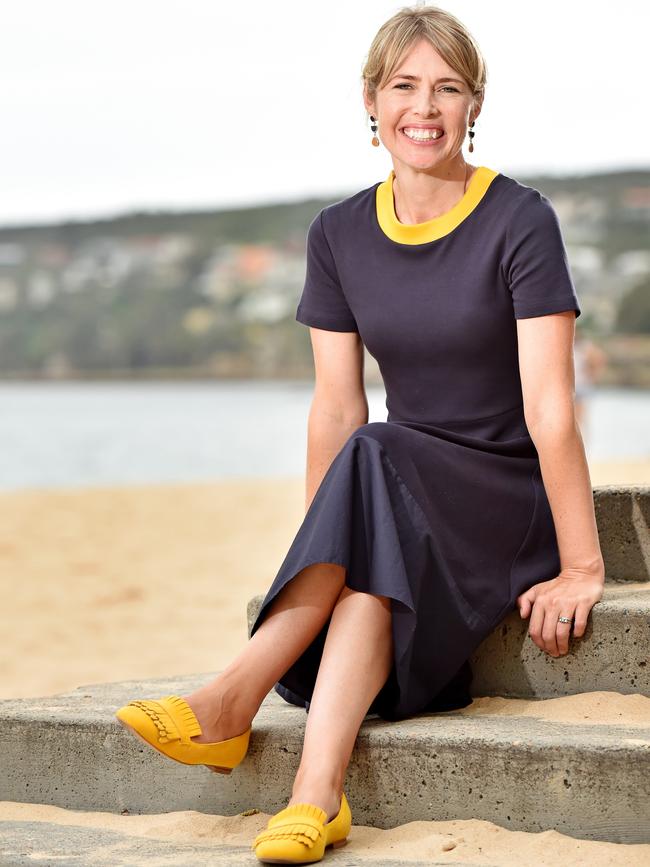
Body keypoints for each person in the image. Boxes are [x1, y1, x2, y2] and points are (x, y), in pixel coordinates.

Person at [115, 5, 606, 863]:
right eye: (405, 86)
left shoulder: (520, 221)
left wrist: (582, 564)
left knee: (375, 451)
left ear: (474, 105)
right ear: (373, 103)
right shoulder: (337, 234)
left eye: (448, 88)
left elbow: (549, 408)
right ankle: (315, 799)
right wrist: (326, 553)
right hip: (399, 484)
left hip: (499, 492)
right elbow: (336, 407)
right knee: (369, 511)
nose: (427, 107)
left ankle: (232, 697)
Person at [573, 325, 607, 444]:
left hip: (581, 386)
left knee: (579, 420)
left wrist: (593, 374)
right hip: (571, 387)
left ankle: (582, 445)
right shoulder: (570, 345)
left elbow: (599, 359)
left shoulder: (584, 346)